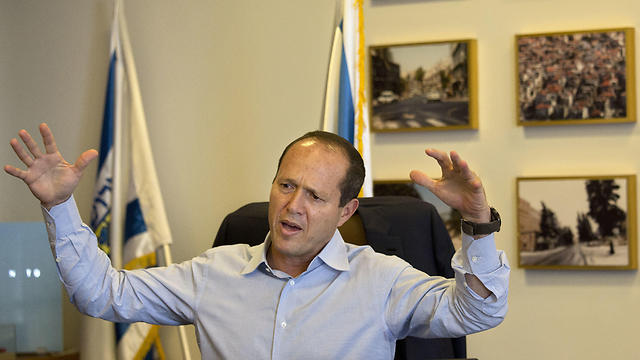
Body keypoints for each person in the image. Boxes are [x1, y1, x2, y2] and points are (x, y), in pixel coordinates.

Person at [5, 124, 509, 359]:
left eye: (315, 195)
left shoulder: (380, 279)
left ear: (346, 211)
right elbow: (102, 293)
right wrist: (58, 205)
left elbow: (477, 313)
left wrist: (477, 222)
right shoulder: (214, 273)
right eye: (286, 185)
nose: (293, 206)